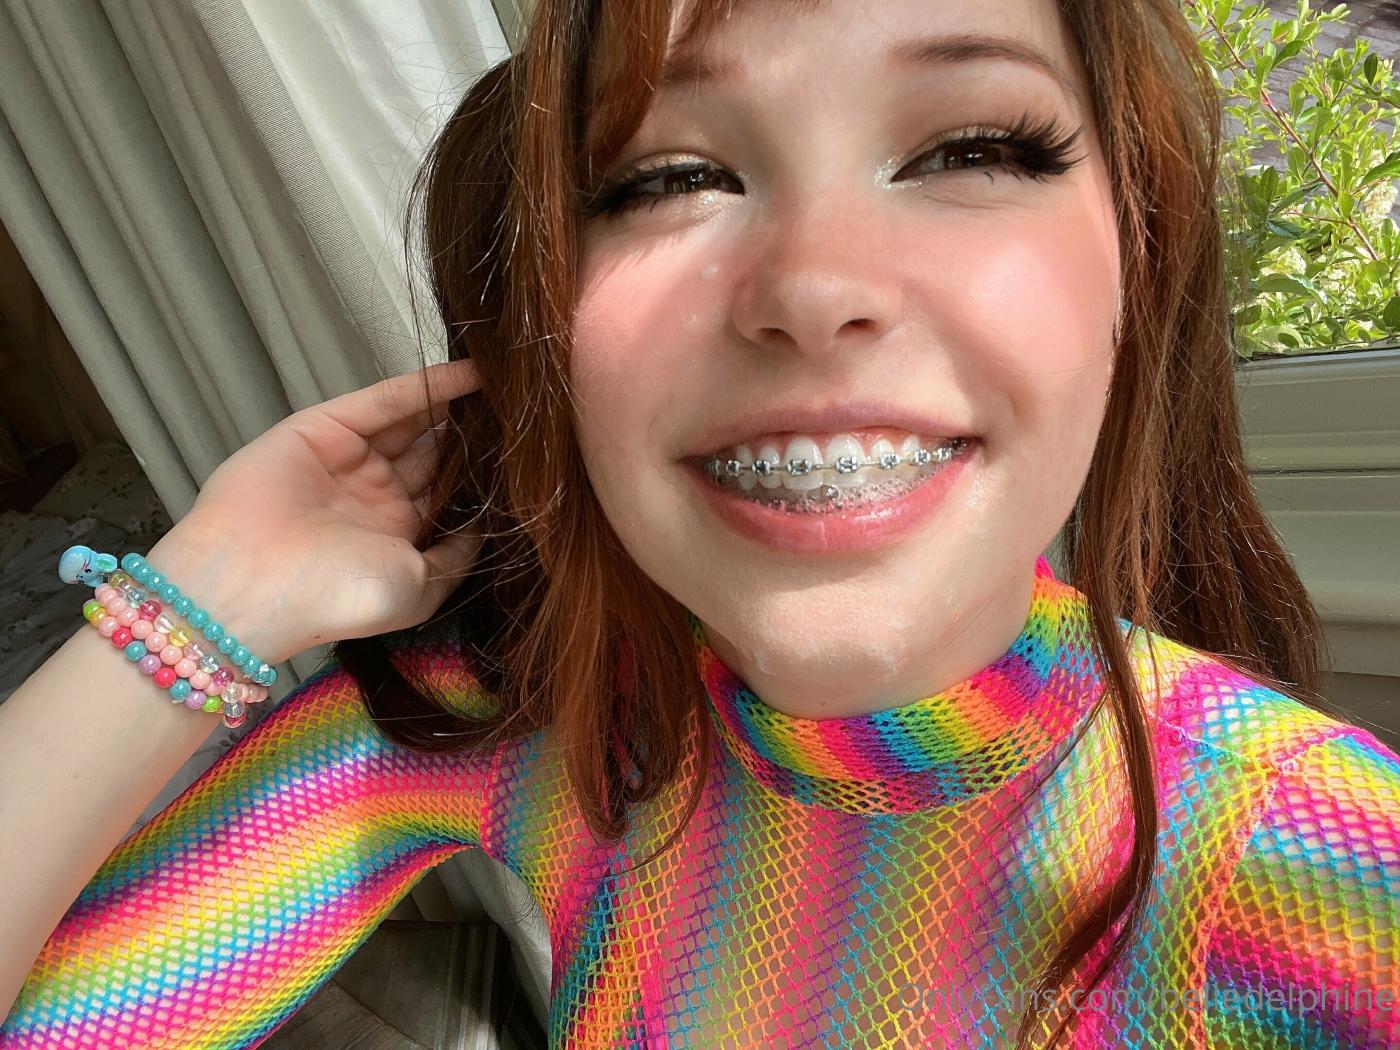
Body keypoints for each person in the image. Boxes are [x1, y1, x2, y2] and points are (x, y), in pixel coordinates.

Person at [1, 0, 1396, 1046]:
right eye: (665, 177)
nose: (814, 288)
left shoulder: (1319, 853)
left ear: (1138, 254)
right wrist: (209, 596)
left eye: (971, 146)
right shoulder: (548, 720)